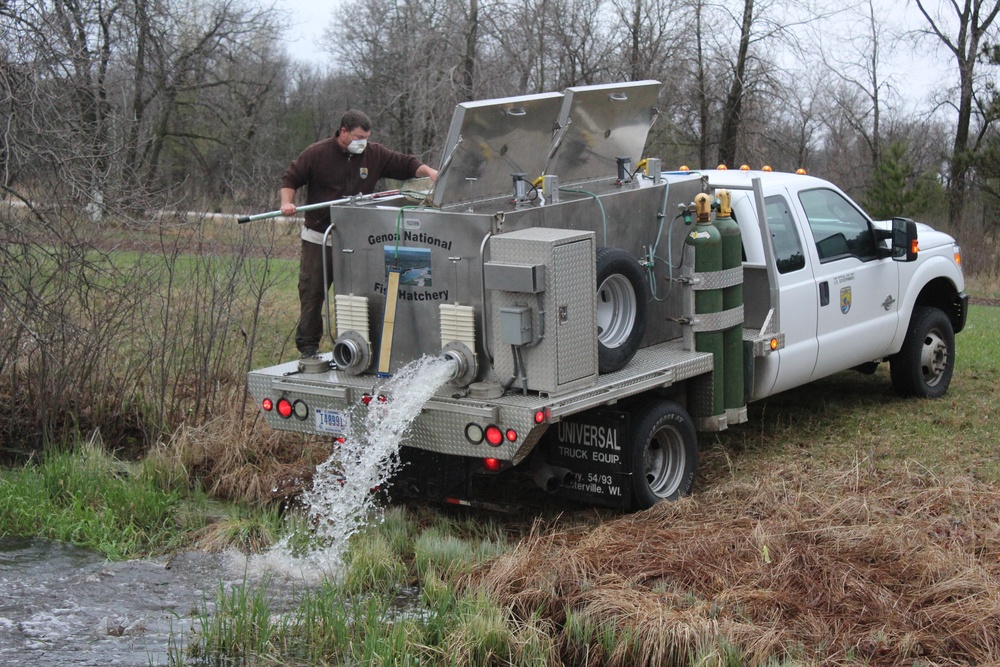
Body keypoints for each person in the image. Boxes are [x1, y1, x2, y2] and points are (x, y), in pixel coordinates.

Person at [279, 110, 438, 358]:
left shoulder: (374, 154)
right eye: (357, 136)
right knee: (312, 293)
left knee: (364, 294)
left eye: (366, 137)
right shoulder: (316, 153)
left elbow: (406, 163)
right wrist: (287, 204)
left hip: (358, 240)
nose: (362, 142)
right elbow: (290, 179)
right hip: (320, 238)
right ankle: (308, 349)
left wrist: (428, 172)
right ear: (343, 132)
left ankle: (361, 347)